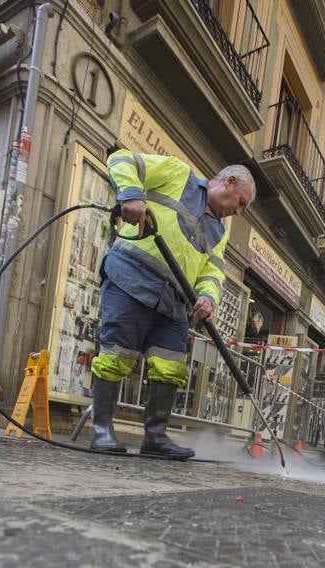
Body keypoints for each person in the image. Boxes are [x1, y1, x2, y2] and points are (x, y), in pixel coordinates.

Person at [89, 148, 256, 459]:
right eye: (241, 203)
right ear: (229, 182)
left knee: (171, 367)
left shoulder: (219, 231)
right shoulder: (179, 175)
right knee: (117, 356)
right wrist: (131, 195)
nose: (239, 211)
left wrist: (207, 297)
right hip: (131, 280)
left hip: (174, 302)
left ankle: (155, 437)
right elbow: (121, 159)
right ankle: (101, 431)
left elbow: (212, 270)